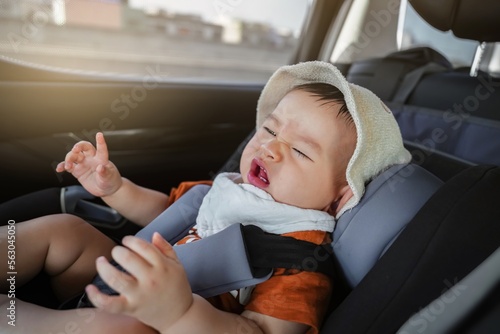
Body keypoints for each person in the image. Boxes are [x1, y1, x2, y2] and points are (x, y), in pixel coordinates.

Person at [0, 61, 410, 334]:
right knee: (66, 231)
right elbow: (166, 212)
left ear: (340, 197)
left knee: (119, 328)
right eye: (269, 131)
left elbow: (260, 331)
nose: (270, 149)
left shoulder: (299, 262)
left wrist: (178, 312)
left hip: (158, 322)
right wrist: (116, 189)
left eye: (300, 151)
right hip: (113, 282)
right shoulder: (226, 190)